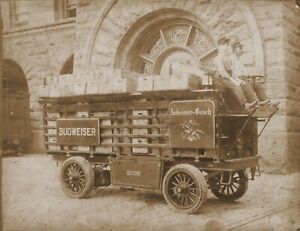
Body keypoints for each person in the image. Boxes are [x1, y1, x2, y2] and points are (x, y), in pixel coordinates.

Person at [213, 37, 257, 111]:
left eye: (227, 45)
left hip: (228, 78)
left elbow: (233, 73)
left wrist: (238, 80)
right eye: (225, 45)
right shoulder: (218, 59)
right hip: (220, 80)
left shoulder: (228, 59)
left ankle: (251, 102)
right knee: (235, 86)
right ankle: (245, 105)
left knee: (241, 84)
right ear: (220, 46)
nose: (227, 47)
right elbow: (223, 73)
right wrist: (233, 81)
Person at [230, 40, 270, 105]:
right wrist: (240, 80)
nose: (242, 50)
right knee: (245, 84)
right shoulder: (231, 60)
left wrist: (250, 77)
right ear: (234, 49)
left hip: (244, 79)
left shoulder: (239, 61)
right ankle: (256, 102)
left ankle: (266, 101)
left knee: (256, 83)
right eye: (240, 48)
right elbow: (232, 74)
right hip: (237, 80)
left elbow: (245, 73)